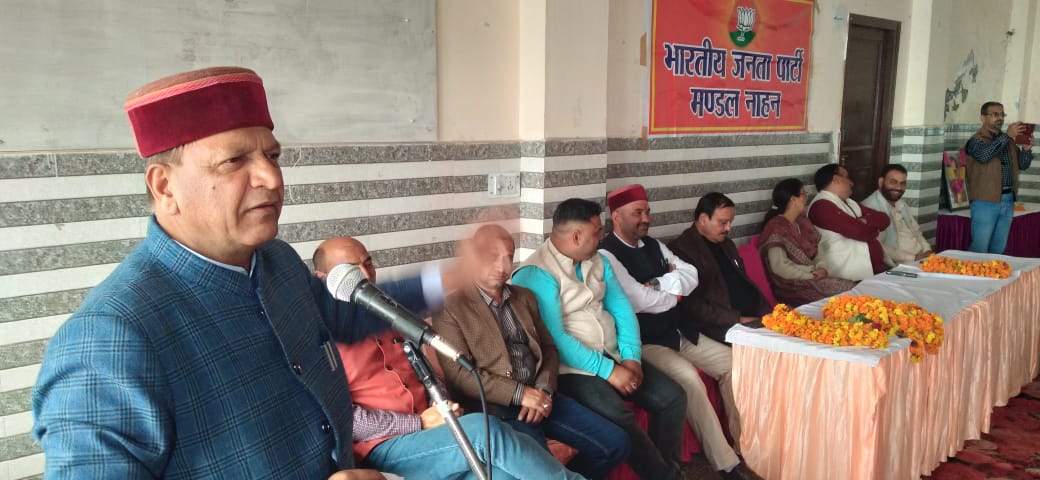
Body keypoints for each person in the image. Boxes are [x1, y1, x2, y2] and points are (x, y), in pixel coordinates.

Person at [31, 67, 402, 479]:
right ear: (165, 187)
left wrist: (448, 281)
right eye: (233, 161)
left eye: (272, 156)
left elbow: (350, 315)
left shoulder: (278, 263)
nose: (271, 178)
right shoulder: (108, 340)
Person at [314, 236, 586, 480]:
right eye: (351, 269)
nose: (365, 275)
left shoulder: (388, 313)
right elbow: (345, 420)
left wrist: (442, 405)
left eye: (368, 264)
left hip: (435, 432)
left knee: (504, 474)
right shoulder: (318, 340)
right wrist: (419, 422)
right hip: (385, 446)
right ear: (322, 278)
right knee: (483, 431)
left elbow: (425, 372)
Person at [435, 225, 629, 479]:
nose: (503, 266)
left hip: (542, 395)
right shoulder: (450, 308)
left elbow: (548, 348)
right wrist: (520, 394)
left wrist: (544, 389)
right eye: (493, 256)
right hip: (498, 408)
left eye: (509, 257)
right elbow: (460, 375)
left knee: (616, 444)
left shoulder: (524, 297)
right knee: (542, 471)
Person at [513, 198, 688, 480]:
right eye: (597, 232)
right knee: (620, 418)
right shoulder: (536, 273)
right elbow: (555, 339)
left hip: (615, 354)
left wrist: (631, 357)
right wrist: (609, 371)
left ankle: (666, 470)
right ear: (576, 236)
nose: (602, 238)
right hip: (573, 369)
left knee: (673, 398)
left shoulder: (599, 260)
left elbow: (622, 309)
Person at [598, 185, 761, 480]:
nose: (646, 218)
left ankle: (745, 448)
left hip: (680, 332)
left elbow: (691, 276)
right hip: (647, 342)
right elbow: (638, 300)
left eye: (647, 211)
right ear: (616, 217)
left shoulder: (654, 245)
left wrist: (660, 284)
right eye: (637, 213)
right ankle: (727, 464)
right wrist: (674, 293)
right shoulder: (607, 254)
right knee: (690, 380)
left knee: (735, 366)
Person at [668, 193, 772, 346]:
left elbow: (744, 281)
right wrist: (738, 319)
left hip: (754, 317)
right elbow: (692, 305)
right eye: (723, 222)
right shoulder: (681, 250)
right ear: (703, 219)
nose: (728, 228)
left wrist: (769, 312)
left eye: (730, 222)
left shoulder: (726, 244)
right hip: (723, 325)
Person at [759, 179, 857, 306]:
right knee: (844, 296)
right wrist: (811, 274)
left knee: (852, 289)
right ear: (793, 199)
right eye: (803, 194)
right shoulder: (776, 227)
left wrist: (822, 267)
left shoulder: (803, 221)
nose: (806, 197)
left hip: (814, 277)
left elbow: (818, 250)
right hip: (790, 285)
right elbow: (780, 267)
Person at [965, 101, 1034, 253]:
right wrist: (1007, 136)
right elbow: (984, 156)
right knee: (980, 248)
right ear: (983, 118)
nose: (1000, 118)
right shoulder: (976, 140)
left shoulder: (1008, 141)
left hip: (1008, 199)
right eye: (995, 114)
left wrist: (1026, 150)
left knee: (998, 248)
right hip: (985, 201)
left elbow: (1022, 165)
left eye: (1002, 114)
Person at [808, 164, 891, 280]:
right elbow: (861, 232)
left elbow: (884, 220)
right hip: (847, 273)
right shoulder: (821, 205)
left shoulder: (849, 202)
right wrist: (873, 229)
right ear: (836, 179)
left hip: (873, 269)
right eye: (847, 177)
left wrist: (865, 220)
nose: (851, 183)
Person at [860, 165, 934, 264]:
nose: (899, 187)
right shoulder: (869, 208)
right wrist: (914, 258)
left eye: (902, 183)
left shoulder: (901, 203)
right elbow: (877, 245)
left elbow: (916, 232)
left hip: (921, 259)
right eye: (893, 182)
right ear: (881, 182)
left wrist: (927, 250)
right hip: (900, 265)